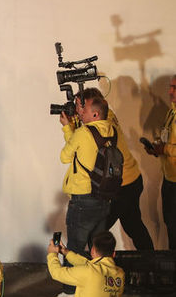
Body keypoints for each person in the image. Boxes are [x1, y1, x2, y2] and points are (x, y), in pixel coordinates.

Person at [73, 88, 153, 249]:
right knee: (133, 226)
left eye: (81, 107)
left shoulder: (100, 127)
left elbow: (76, 151)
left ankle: (102, 263)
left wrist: (70, 128)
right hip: (131, 180)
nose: (78, 111)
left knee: (95, 233)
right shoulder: (107, 115)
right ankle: (151, 261)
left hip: (120, 187)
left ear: (95, 109)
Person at [56, 96, 116, 297]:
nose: (80, 112)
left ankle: (69, 293)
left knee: (74, 247)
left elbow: (65, 156)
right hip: (103, 197)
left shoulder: (83, 133)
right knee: (98, 249)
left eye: (85, 110)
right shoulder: (111, 130)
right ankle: (101, 288)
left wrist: (67, 129)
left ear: (95, 114)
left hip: (83, 200)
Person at [146, 74, 176, 249]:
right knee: (170, 225)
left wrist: (164, 149)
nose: (170, 92)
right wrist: (156, 148)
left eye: (175, 88)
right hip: (169, 179)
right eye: (170, 87)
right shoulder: (171, 111)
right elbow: (167, 138)